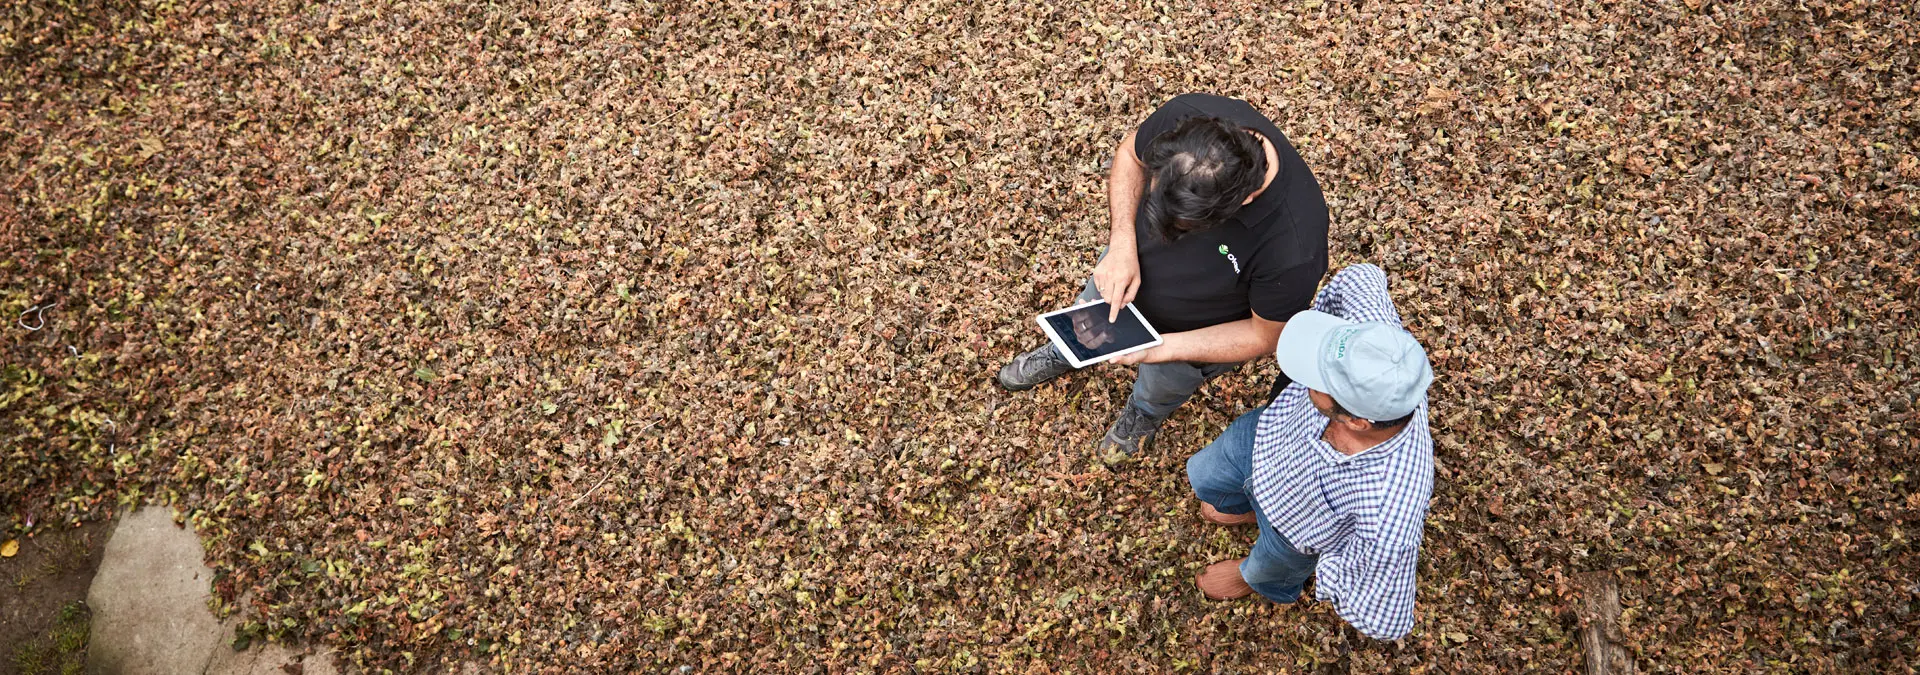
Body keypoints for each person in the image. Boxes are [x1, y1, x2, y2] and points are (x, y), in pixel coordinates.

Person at [996, 93, 1330, 457]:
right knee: (1083, 320)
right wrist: (1122, 243)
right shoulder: (1188, 116)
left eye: (1183, 226)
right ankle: (1068, 349)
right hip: (1123, 271)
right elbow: (1129, 155)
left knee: (1164, 384)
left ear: (1242, 202)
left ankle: (1145, 413)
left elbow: (1264, 335)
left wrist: (1160, 349)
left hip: (1191, 337)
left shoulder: (1294, 245)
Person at [1184, 263, 1434, 641]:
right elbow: (1363, 276)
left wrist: (1330, 562)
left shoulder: (1390, 505)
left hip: (1296, 530)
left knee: (1273, 564)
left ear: (1357, 421)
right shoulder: (1380, 342)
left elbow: (1386, 618)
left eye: (1317, 380)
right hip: (1268, 433)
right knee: (1206, 474)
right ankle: (1247, 506)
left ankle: (1249, 575)